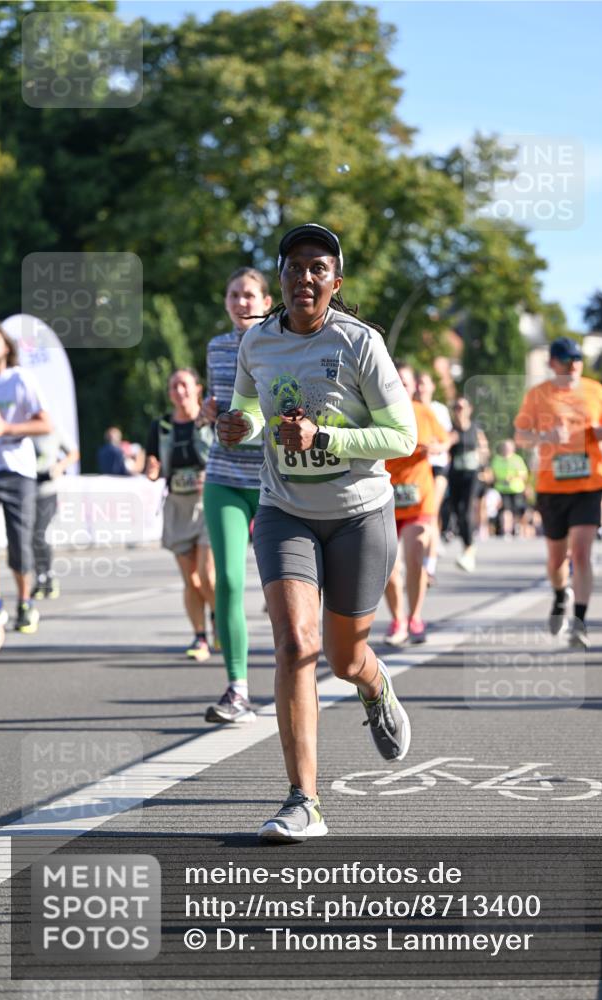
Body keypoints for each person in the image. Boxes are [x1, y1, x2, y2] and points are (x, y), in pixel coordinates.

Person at [216, 223, 417, 842]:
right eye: (295, 266)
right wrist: (238, 426)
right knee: (293, 644)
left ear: (336, 282)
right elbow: (251, 408)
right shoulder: (259, 344)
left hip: (360, 511)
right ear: (280, 278)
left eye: (318, 268)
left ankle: (375, 683)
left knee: (342, 656)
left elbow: (402, 437)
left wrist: (326, 437)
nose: (305, 277)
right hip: (286, 509)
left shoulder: (360, 343)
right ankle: (304, 799)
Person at [514, 336, 602, 648]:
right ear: (552, 364)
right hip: (551, 486)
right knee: (556, 558)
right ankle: (561, 594)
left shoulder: (595, 390)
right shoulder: (538, 395)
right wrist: (545, 436)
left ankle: (580, 621)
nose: (574, 366)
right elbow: (520, 436)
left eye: (578, 360)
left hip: (590, 483)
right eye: (566, 360)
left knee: (583, 551)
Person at [201, 268, 272, 724]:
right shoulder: (216, 347)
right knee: (227, 581)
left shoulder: (280, 344)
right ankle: (238, 689)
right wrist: (211, 411)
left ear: (266, 300)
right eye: (234, 295)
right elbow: (217, 405)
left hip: (273, 480)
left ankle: (308, 668)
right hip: (224, 476)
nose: (241, 302)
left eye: (249, 295)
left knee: (288, 588)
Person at [145, 368, 216, 660]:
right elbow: (152, 459)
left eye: (184, 385)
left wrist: (210, 474)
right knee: (191, 580)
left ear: (198, 389)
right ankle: (200, 637)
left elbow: (228, 451)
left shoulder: (211, 419)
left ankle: (221, 621)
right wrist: (151, 469)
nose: (180, 391)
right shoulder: (161, 425)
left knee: (205, 575)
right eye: (174, 386)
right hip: (177, 504)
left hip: (208, 502)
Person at [0, 321, 52, 635]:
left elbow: (45, 425)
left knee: (19, 544)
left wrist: (6, 429)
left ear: (6, 346)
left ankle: (25, 602)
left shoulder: (20, 379)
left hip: (18, 471)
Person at [384, 362, 449, 645]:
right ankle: (398, 619)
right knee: (387, 565)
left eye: (406, 382)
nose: (401, 386)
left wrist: (435, 448)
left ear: (413, 387)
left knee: (414, 558)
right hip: (386, 496)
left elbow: (445, 441)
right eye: (395, 381)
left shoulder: (424, 412)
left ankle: (415, 617)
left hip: (419, 496)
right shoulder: (378, 411)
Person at [32, 424, 80, 599]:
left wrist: (60, 466)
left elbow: (73, 452)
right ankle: (40, 576)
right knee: (27, 537)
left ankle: (47, 575)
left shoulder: (53, 430)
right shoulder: (20, 430)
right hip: (25, 490)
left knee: (38, 533)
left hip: (48, 490)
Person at [415, 371, 452, 581]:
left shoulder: (439, 410)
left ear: (432, 387)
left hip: (436, 467)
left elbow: (446, 440)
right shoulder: (407, 407)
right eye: (418, 383)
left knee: (431, 513)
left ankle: (429, 566)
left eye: (424, 383)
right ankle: (415, 560)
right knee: (418, 515)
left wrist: (436, 448)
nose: (421, 387)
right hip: (414, 468)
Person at [448, 396, 489, 572]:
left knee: (466, 509)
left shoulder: (475, 429)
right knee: (456, 510)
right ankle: (467, 546)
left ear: (469, 409)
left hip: (472, 474)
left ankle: (469, 547)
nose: (459, 410)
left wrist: (485, 467)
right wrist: (449, 440)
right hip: (455, 474)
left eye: (462, 407)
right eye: (456, 407)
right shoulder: (450, 430)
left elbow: (484, 449)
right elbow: (444, 450)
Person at [491, 439, 529, 538]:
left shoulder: (517, 460)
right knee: (505, 510)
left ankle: (517, 530)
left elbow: (524, 475)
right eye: (505, 447)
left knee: (517, 511)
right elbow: (492, 475)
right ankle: (507, 531)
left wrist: (513, 478)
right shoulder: (496, 460)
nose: (506, 449)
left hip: (516, 490)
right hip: (502, 490)